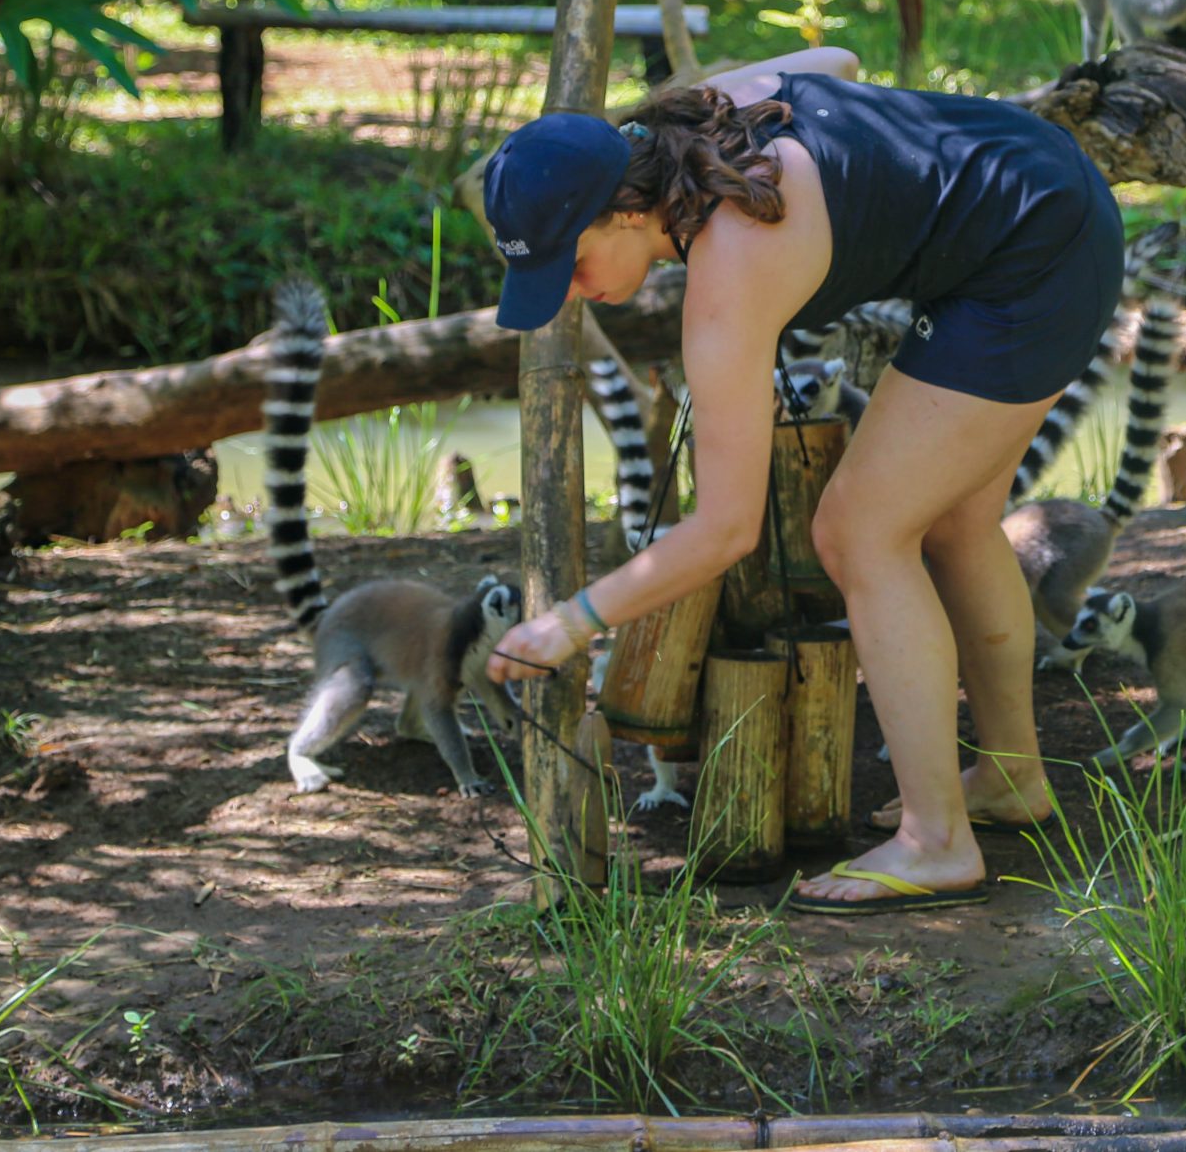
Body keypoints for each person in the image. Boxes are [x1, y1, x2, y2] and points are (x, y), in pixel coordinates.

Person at [481, 47, 1124, 914]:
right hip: (1039, 195)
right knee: (952, 522)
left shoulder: (732, 267)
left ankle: (937, 842)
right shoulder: (694, 116)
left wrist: (573, 621)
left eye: (570, 265)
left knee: (858, 531)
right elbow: (837, 60)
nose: (567, 294)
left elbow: (726, 528)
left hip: (1031, 260)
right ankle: (1011, 779)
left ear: (627, 211)